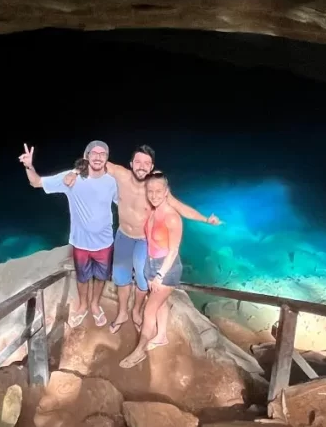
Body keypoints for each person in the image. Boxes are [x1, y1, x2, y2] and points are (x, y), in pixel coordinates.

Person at [63, 145, 220, 334]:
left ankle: (136, 311)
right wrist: (73, 172)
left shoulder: (154, 188)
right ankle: (122, 313)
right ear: (131, 164)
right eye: (137, 162)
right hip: (123, 236)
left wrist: (205, 219)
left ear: (152, 167)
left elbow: (180, 207)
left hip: (143, 240)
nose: (141, 166)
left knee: (143, 281)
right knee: (121, 279)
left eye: (146, 163)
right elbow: (95, 159)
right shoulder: (121, 174)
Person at [19, 140, 117, 328]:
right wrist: (29, 166)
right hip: (80, 242)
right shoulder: (71, 178)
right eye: (94, 153)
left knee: (101, 277)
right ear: (86, 156)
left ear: (107, 158)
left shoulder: (112, 182)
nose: (98, 157)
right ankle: (83, 305)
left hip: (105, 242)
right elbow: (36, 182)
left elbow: (126, 203)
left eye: (102, 153)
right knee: (82, 277)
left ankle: (95, 305)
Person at [120, 171, 183, 368]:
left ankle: (140, 351)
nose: (154, 195)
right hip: (151, 262)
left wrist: (159, 276)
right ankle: (161, 336)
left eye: (159, 191)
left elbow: (173, 251)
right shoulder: (153, 211)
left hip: (166, 268)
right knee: (160, 303)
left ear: (167, 191)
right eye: (150, 191)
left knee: (149, 310)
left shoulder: (172, 218)